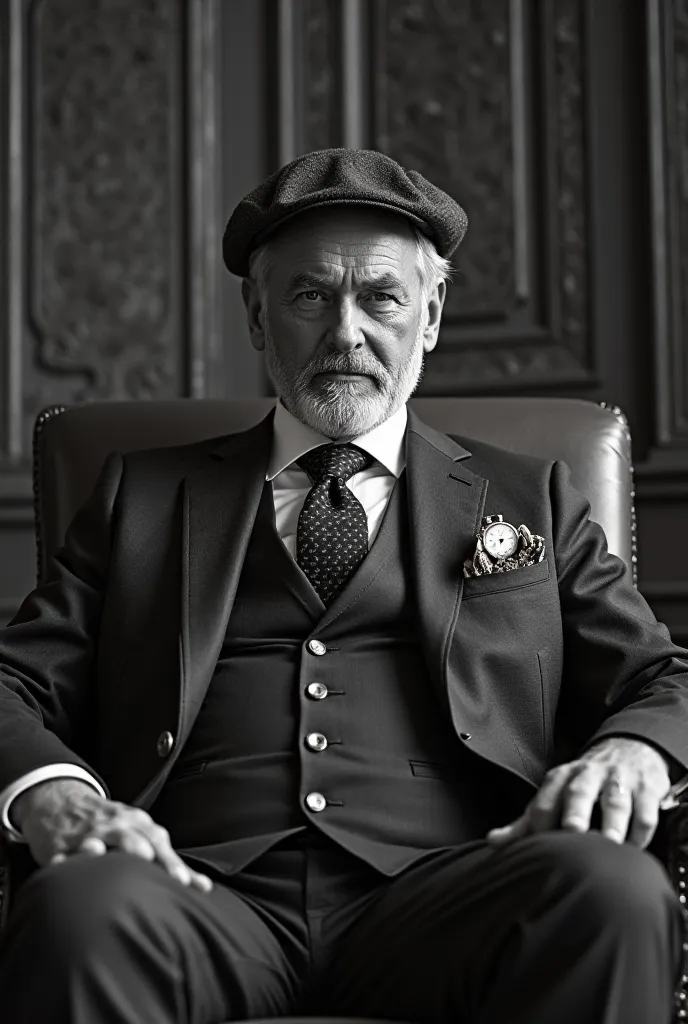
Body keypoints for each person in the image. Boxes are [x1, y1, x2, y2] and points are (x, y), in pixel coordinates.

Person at [0, 147, 686, 1024]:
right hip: (195, 895)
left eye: (383, 298)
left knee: (612, 890)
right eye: (309, 296)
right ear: (257, 317)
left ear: (430, 315)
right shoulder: (142, 495)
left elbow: (662, 678)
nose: (346, 333)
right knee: (77, 910)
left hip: (455, 897)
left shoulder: (533, 500)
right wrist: (54, 795)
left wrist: (633, 751)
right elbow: (14, 684)